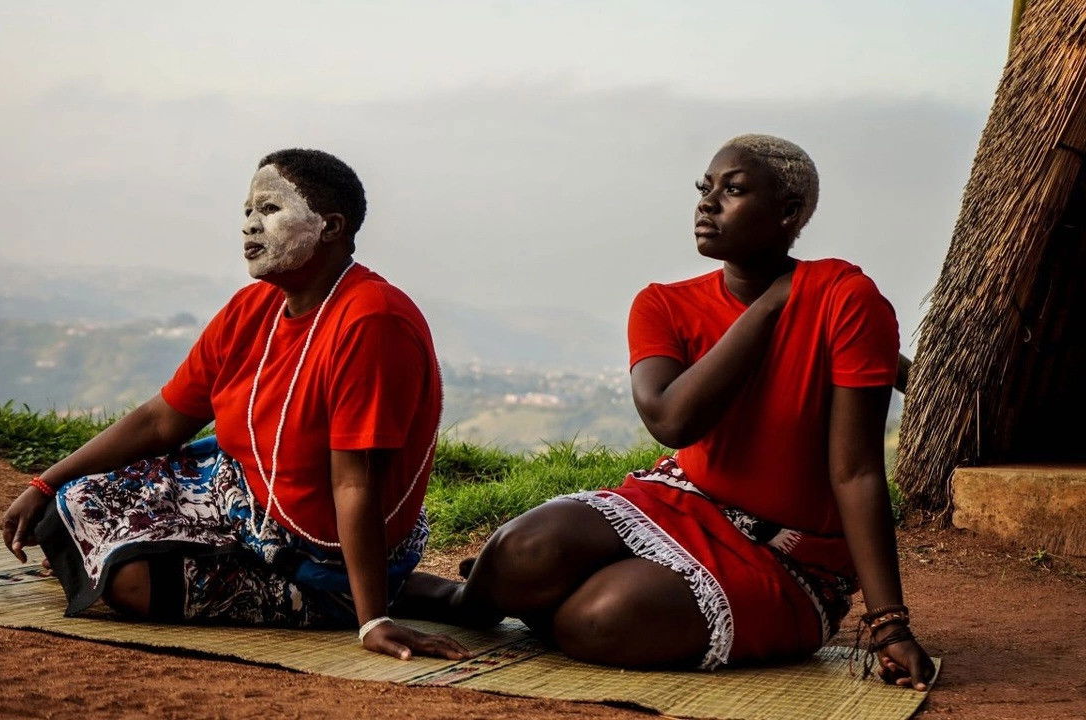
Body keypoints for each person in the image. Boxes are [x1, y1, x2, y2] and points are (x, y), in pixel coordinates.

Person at [399, 134, 934, 687]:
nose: (707, 203)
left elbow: (858, 471)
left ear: (789, 212)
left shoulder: (845, 299)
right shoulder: (664, 303)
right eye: (705, 188)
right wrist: (775, 301)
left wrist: (889, 626)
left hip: (789, 558)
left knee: (602, 620)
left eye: (734, 190)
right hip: (679, 500)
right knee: (521, 549)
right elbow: (670, 421)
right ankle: (468, 603)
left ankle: (553, 600)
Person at [1, 148, 467, 662]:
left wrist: (373, 621)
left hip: (322, 548)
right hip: (247, 496)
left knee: (130, 583)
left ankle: (364, 596)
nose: (249, 226)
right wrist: (46, 481)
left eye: (269, 210)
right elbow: (163, 419)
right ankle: (402, 591)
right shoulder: (253, 306)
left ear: (331, 227)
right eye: (247, 211)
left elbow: (354, 481)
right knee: (74, 504)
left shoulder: (371, 320)